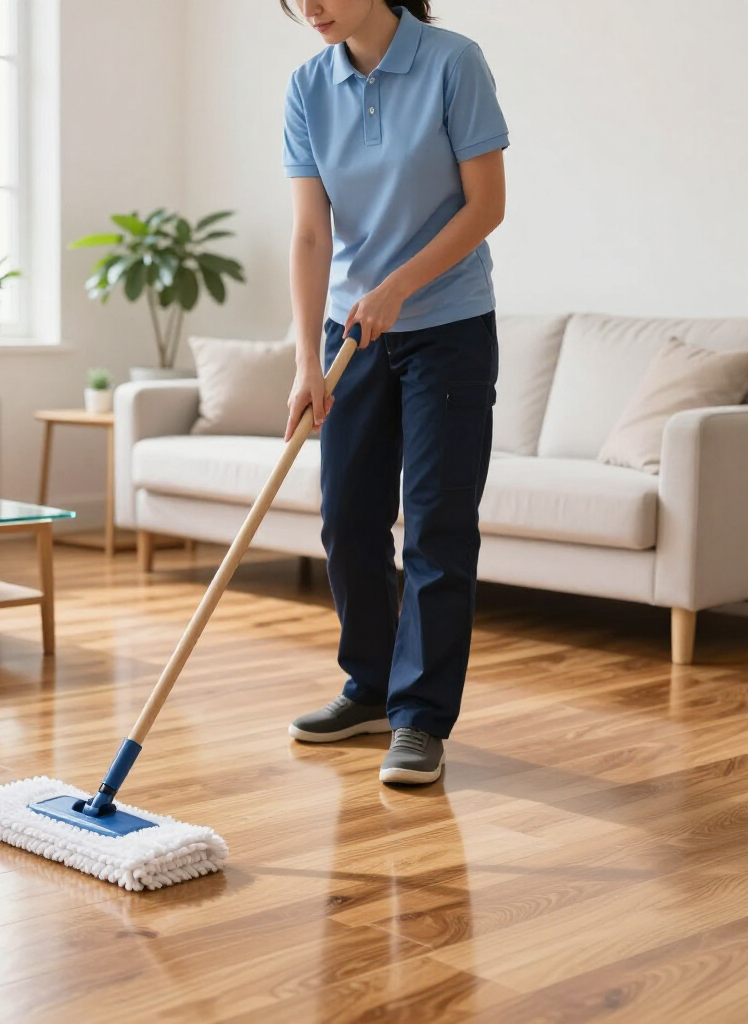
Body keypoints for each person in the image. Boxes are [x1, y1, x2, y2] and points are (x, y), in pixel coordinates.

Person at [281, 0, 509, 784]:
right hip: (351, 335)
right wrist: (306, 359)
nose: (309, 6)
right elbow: (312, 234)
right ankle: (370, 688)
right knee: (346, 516)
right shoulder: (308, 86)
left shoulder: (453, 62)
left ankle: (420, 718)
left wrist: (400, 288)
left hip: (448, 327)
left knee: (438, 527)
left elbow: (487, 205)